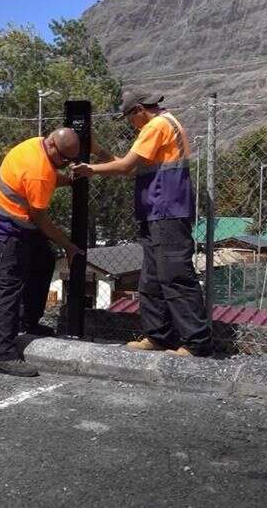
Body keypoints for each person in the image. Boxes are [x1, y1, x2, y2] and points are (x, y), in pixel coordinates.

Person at [72, 92, 213, 357]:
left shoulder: (156, 126)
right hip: (157, 211)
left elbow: (125, 167)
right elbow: (131, 167)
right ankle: (159, 336)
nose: (130, 124)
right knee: (152, 278)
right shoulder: (164, 124)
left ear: (138, 110)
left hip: (167, 209)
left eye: (128, 118)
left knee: (175, 275)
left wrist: (90, 169)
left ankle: (196, 343)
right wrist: (98, 151)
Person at [0, 127, 84, 377]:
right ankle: (3, 354)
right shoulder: (39, 171)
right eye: (65, 160)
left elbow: (50, 175)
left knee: (43, 261)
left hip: (18, 220)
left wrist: (69, 180)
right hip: (6, 226)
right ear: (52, 146)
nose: (66, 164)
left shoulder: (37, 144)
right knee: (10, 285)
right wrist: (68, 245)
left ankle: (28, 322)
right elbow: (41, 220)